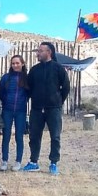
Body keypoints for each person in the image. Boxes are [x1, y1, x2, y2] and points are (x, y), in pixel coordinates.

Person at [22, 42, 70, 175]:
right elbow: (29, 88)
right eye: (38, 51)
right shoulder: (34, 70)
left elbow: (65, 87)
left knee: (55, 136)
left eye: (40, 51)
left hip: (53, 109)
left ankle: (53, 163)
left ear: (49, 52)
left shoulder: (58, 68)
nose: (37, 53)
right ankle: (33, 162)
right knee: (34, 136)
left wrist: (58, 102)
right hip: (37, 109)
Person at [0, 55, 29, 172]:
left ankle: (18, 161)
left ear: (22, 64)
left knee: (19, 136)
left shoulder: (27, 78)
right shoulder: (6, 78)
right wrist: (6, 101)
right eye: (13, 63)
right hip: (7, 110)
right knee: (6, 135)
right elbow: (1, 92)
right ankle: (4, 160)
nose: (15, 65)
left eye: (17, 63)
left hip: (21, 111)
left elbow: (29, 93)